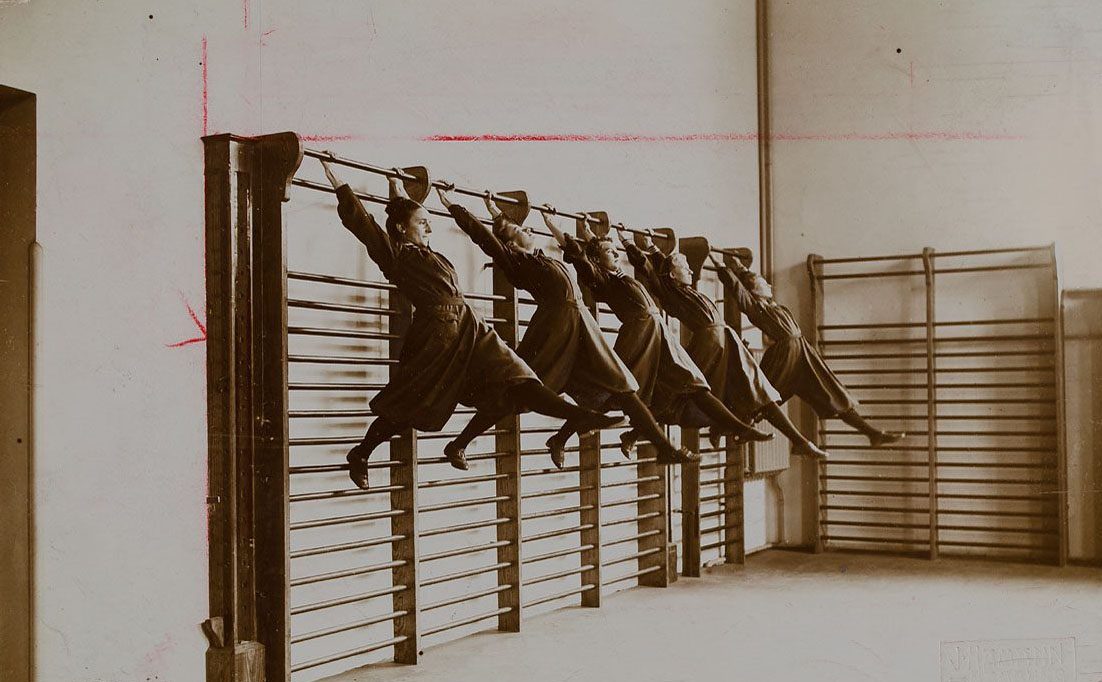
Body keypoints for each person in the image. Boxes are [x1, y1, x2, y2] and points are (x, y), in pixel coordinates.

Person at [319, 157, 622, 489]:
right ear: (403, 229)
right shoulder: (395, 256)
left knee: (520, 376)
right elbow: (362, 223)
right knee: (409, 405)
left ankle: (579, 415)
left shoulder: (428, 252)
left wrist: (397, 186)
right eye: (423, 223)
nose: (429, 228)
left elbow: (401, 212)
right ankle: (361, 453)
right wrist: (336, 179)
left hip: (471, 326)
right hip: (436, 335)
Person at [435, 188, 696, 466]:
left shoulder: (544, 258)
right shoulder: (516, 261)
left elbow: (575, 252)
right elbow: (486, 238)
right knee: (516, 391)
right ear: (511, 243)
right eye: (520, 230)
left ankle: (664, 447)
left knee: (624, 387)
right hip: (554, 331)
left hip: (582, 327)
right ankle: (458, 444)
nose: (529, 230)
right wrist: (454, 206)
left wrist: (497, 211)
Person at [547, 219, 774, 456]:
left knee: (695, 385)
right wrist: (553, 226)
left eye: (616, 250)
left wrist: (604, 237)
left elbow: (642, 265)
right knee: (615, 390)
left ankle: (740, 427)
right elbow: (578, 256)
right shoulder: (602, 279)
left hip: (659, 335)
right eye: (609, 252)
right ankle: (561, 438)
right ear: (596, 260)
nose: (615, 254)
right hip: (639, 337)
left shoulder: (621, 275)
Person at [624, 232, 829, 459]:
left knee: (758, 389)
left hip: (726, 342)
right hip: (709, 345)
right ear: (673, 274)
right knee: (678, 394)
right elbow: (651, 271)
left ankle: (799, 440)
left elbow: (663, 266)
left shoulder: (689, 290)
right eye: (685, 268)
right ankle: (635, 434)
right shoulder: (670, 292)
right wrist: (633, 244)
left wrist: (654, 248)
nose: (691, 271)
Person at [710, 251, 905, 447]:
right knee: (760, 398)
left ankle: (871, 432)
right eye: (763, 283)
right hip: (785, 356)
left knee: (834, 394)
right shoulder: (756, 306)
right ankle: (722, 426)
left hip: (802, 353)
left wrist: (740, 267)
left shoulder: (776, 307)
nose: (769, 285)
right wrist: (720, 266)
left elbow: (747, 281)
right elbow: (738, 289)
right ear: (755, 291)